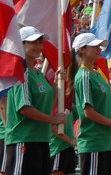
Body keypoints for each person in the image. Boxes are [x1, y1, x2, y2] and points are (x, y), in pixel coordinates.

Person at [5, 26, 66, 175]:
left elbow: (45, 105)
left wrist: (58, 85)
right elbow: (25, 108)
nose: (38, 47)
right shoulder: (21, 71)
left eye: (40, 43)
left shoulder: (38, 73)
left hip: (41, 139)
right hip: (23, 140)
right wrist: (53, 120)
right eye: (33, 43)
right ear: (21, 44)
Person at [71, 33, 111, 175]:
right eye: (94, 46)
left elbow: (106, 102)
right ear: (82, 49)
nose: (99, 49)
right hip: (93, 142)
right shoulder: (83, 76)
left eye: (99, 46)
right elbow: (88, 112)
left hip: (105, 143)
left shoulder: (96, 74)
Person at [50, 110, 77, 175]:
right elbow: (52, 126)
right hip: (58, 147)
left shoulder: (69, 104)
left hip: (69, 147)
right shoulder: (53, 103)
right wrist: (70, 140)